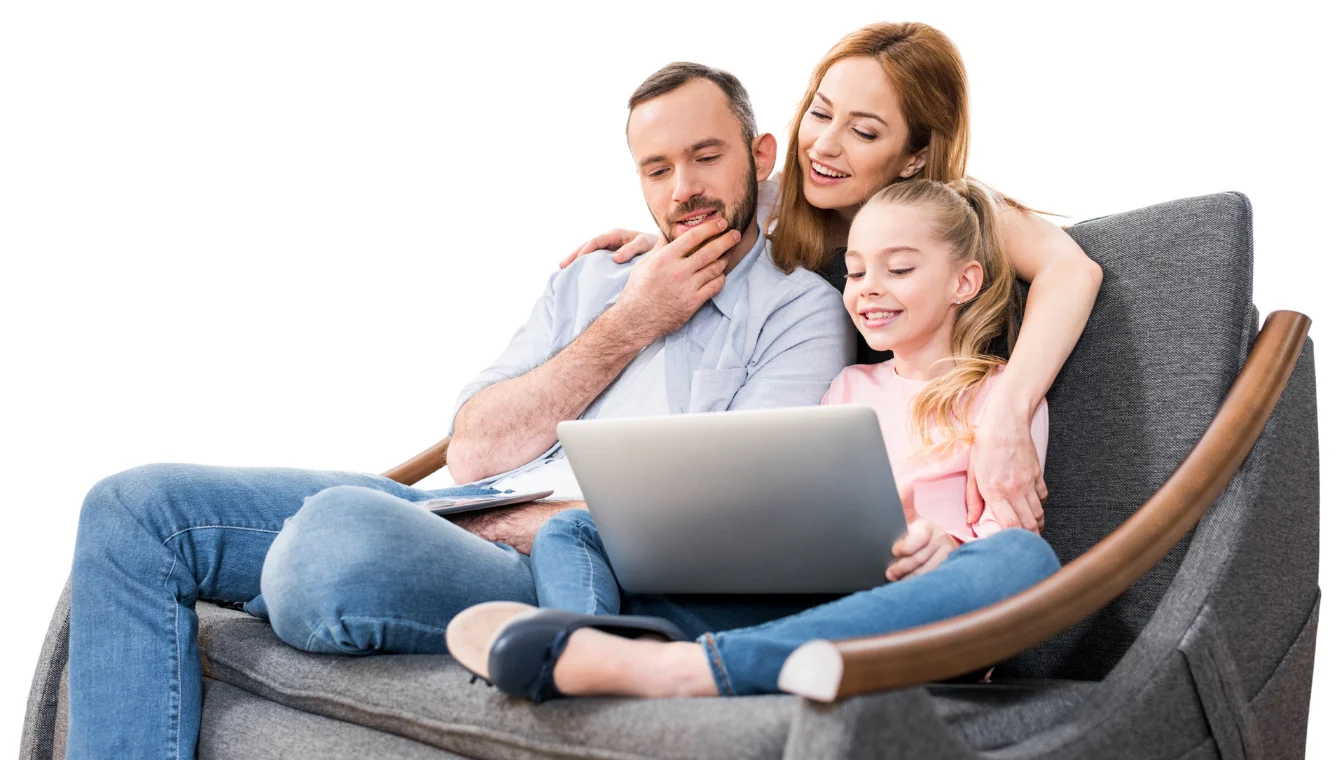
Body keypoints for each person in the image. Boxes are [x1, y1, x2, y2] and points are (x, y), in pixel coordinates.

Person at [66, 63, 852, 758]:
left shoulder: (801, 313)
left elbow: (722, 520)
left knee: (333, 540)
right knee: (133, 510)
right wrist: (631, 322)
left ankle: (303, 576)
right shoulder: (596, 283)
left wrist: (502, 523)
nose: (681, 189)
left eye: (705, 157)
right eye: (656, 169)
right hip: (457, 510)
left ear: (759, 156)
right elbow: (473, 451)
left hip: (558, 562)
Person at [447, 177, 1060, 701]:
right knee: (573, 527)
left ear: (964, 281)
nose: (868, 287)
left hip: (916, 624)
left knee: (1027, 562)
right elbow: (798, 501)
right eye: (854, 271)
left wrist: (944, 551)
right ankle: (596, 647)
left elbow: (1006, 542)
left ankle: (663, 666)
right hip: (802, 608)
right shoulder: (848, 383)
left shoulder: (1004, 398)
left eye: (898, 269)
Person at [562, 22, 1103, 536]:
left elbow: (1072, 270)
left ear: (915, 157)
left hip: (937, 482)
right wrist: (659, 242)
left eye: (864, 131)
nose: (823, 146)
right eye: (820, 114)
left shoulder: (954, 213)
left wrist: (1008, 411)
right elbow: (709, 199)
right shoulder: (781, 199)